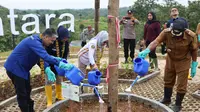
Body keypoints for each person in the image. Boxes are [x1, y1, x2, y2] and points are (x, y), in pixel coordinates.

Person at [4, 28, 74, 112]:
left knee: (27, 90)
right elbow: (45, 56)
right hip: (15, 69)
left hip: (23, 70)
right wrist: (59, 63)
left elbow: (40, 57)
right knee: (22, 94)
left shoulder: (39, 42)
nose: (52, 43)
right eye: (51, 41)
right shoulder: (34, 42)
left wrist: (47, 67)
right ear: (46, 37)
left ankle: (31, 110)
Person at [138, 19, 198, 112]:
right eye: (174, 34)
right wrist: (147, 50)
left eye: (178, 35)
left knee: (181, 84)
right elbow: (156, 41)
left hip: (183, 61)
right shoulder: (167, 32)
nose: (176, 37)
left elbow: (194, 50)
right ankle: (166, 99)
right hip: (171, 59)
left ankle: (178, 104)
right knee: (168, 79)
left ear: (184, 31)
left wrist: (194, 64)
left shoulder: (191, 36)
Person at [40, 26, 70, 107]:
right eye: (64, 38)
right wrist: (47, 67)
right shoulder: (52, 41)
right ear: (59, 36)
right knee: (49, 81)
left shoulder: (66, 42)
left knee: (59, 79)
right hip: (49, 63)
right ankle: (49, 101)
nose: (65, 39)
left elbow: (66, 52)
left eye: (67, 38)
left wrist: (64, 63)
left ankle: (59, 96)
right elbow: (45, 54)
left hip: (59, 64)